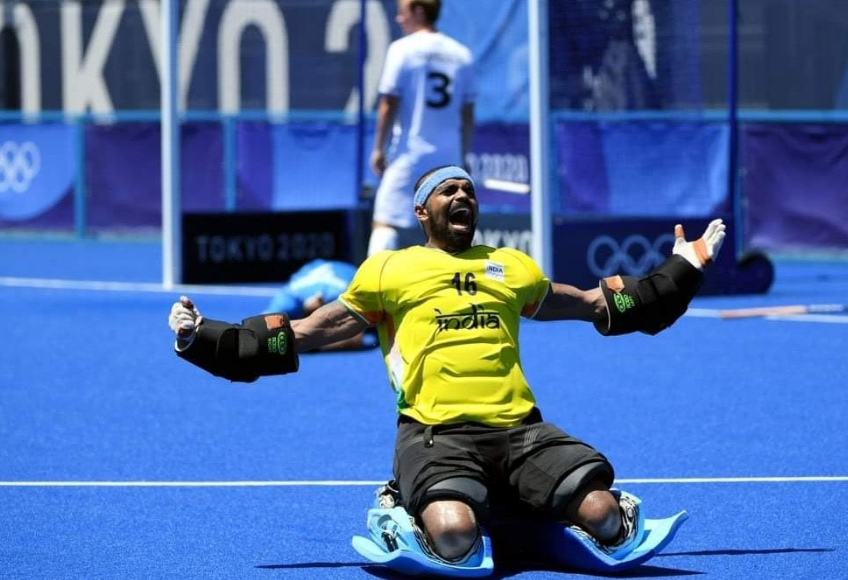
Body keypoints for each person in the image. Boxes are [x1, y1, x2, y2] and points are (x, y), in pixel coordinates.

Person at [168, 165, 726, 574]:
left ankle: (523, 506)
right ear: (421, 212)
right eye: (448, 190)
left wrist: (683, 268)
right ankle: (401, 507)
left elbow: (597, 304)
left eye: (469, 190)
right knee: (455, 539)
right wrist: (204, 338)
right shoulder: (390, 270)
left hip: (523, 432)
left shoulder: (512, 268)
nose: (462, 195)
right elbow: (310, 332)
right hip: (436, 436)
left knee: (606, 517)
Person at [367, 0, 476, 256]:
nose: (399, 19)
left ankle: (372, 290)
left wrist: (378, 149)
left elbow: (388, 103)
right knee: (448, 229)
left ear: (418, 11)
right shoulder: (462, 54)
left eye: (402, 13)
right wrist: (463, 155)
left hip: (410, 155)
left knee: (385, 221)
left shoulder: (402, 50)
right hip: (449, 159)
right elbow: (468, 113)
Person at [264, 259, 378, 351]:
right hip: (314, 267)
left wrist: (314, 346)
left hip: (346, 269)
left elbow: (355, 340)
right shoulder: (289, 299)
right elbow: (263, 328)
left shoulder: (343, 296)